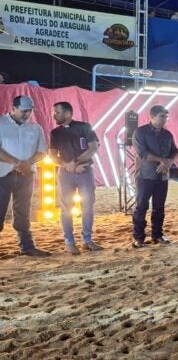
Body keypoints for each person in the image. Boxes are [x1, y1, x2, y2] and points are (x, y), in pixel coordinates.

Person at [50, 101, 102, 254]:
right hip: (65, 173)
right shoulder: (55, 133)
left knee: (88, 207)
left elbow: (93, 148)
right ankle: (69, 242)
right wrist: (68, 165)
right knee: (67, 208)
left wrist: (75, 162)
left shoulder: (84, 127)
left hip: (84, 170)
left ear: (67, 113)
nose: (54, 115)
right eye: (54, 112)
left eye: (57, 112)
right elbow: (52, 156)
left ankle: (87, 240)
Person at [0, 96, 49, 257]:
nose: (27, 114)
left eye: (29, 111)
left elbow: (42, 151)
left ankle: (27, 247)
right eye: (24, 111)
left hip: (26, 176)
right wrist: (17, 162)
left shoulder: (36, 128)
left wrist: (28, 163)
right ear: (13, 108)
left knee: (23, 212)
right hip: (2, 175)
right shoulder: (1, 124)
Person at [132, 105, 178, 248]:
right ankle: (139, 238)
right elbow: (142, 153)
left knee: (159, 207)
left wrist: (168, 163)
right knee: (141, 206)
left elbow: (175, 151)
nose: (165, 119)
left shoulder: (168, 134)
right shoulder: (140, 132)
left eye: (166, 117)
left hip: (162, 177)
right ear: (152, 117)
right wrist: (162, 160)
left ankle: (157, 235)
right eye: (162, 116)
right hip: (145, 175)